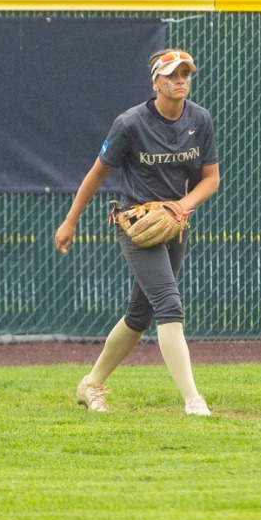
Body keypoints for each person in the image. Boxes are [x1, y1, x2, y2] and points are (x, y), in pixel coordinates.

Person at [53, 47, 221, 416]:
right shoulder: (130, 123)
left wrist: (182, 205)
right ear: (156, 82)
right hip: (137, 223)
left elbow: (211, 179)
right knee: (169, 306)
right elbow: (97, 173)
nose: (180, 81)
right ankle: (193, 400)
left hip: (174, 222)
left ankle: (91, 384)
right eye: (172, 75)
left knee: (139, 314)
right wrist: (71, 220)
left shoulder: (200, 119)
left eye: (185, 74)